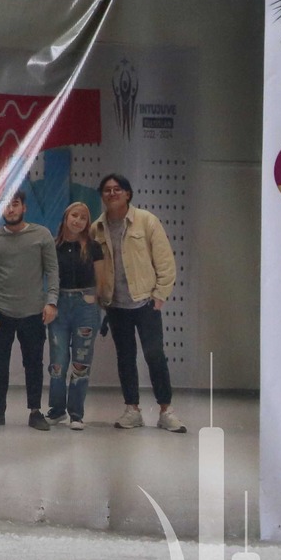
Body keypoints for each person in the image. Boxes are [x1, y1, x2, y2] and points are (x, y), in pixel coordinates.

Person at [90, 173, 184, 432]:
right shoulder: (96, 228)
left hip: (145, 303)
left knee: (155, 356)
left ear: (128, 194)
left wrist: (160, 295)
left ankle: (166, 411)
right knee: (125, 358)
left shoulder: (146, 221)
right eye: (107, 190)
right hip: (115, 305)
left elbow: (165, 261)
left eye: (117, 189)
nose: (112, 193)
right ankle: (132, 409)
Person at [0, 190, 58, 430]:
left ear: (24, 208)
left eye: (15, 204)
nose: (10, 210)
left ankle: (35, 411)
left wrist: (52, 301)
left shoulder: (42, 235)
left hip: (33, 311)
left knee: (33, 363)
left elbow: (52, 270)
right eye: (5, 205)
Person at [46, 200, 105, 430]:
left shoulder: (93, 247)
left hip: (86, 306)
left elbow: (100, 280)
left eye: (83, 217)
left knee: (81, 361)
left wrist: (98, 303)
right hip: (59, 305)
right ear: (65, 217)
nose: (78, 221)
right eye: (74, 215)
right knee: (58, 361)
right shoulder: (52, 245)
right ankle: (57, 409)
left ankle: (76, 413)